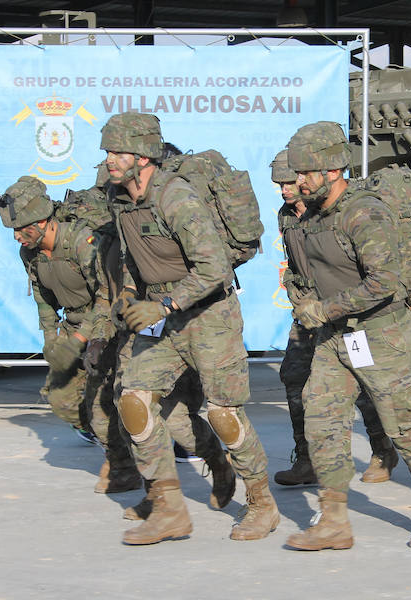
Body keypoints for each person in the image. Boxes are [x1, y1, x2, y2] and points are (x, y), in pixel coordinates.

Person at [282, 121, 411, 551]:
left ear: (331, 171)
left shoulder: (364, 213)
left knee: (404, 426)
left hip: (380, 334)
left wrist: (323, 308)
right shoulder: (312, 218)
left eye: (305, 172)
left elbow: (385, 282)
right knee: (321, 419)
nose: (297, 181)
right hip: (333, 337)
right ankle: (334, 521)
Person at [101, 112, 278, 545]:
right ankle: (168, 508)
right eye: (106, 151)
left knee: (223, 413)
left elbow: (215, 268)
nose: (108, 160)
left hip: (208, 315)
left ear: (143, 157)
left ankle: (261, 504)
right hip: (161, 315)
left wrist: (164, 303)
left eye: (117, 152)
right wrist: (128, 294)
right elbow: (132, 257)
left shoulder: (176, 198)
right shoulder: (123, 198)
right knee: (134, 403)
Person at [0, 175, 140, 494]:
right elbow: (42, 296)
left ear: (44, 222)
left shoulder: (81, 242)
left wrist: (80, 340)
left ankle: (124, 465)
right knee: (62, 399)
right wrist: (51, 339)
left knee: (104, 403)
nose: (18, 237)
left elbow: (106, 294)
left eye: (23, 229)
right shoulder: (30, 253)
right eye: (14, 231)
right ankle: (121, 445)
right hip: (73, 327)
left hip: (105, 326)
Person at [271, 148, 398, 486]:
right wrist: (291, 285)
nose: (284, 189)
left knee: (362, 382)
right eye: (279, 184)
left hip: (344, 311)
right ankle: (306, 458)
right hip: (309, 313)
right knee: (294, 377)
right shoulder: (286, 215)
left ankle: (383, 448)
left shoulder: (328, 212)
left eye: (288, 182)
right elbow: (295, 261)